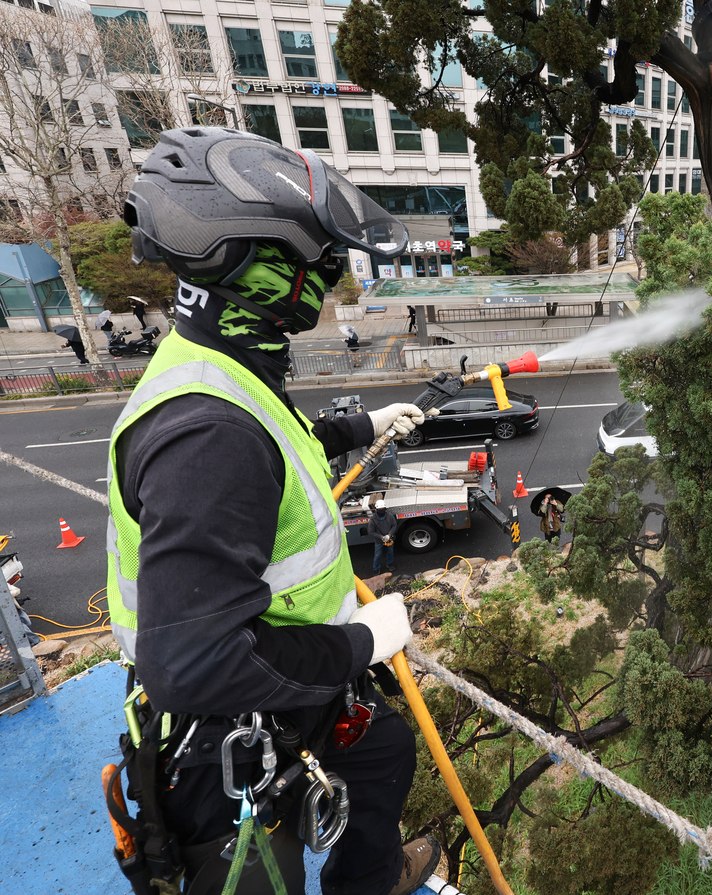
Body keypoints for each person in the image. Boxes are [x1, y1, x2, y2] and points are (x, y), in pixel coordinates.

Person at [112, 126, 439, 895]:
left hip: (277, 676)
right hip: (227, 725)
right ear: (246, 257)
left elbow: (271, 460)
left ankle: (371, 877)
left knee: (385, 748)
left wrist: (360, 426)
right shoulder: (206, 433)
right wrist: (358, 645)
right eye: (315, 256)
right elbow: (197, 664)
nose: (327, 273)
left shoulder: (220, 362)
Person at [369, 499, 396, 573]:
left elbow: (394, 525)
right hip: (379, 541)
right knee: (377, 555)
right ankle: (376, 568)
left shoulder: (390, 516)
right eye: (380, 509)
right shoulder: (373, 520)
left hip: (389, 539)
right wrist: (381, 537)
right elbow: (371, 531)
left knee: (390, 552)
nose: (381, 510)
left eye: (382, 509)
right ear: (376, 509)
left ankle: (390, 564)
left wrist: (389, 535)